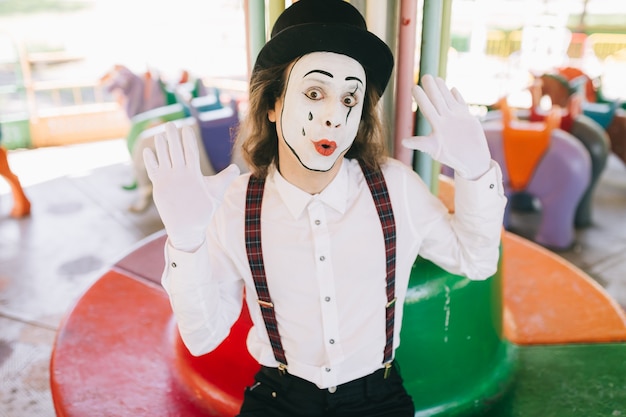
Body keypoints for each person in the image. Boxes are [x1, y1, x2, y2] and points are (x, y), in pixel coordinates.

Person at [143, 0, 506, 416]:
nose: (334, 116)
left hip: (377, 398)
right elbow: (202, 336)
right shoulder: (235, 205)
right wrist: (186, 242)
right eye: (315, 92)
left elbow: (476, 261)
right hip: (279, 398)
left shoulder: (395, 187)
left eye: (350, 98)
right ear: (273, 105)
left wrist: (478, 172)